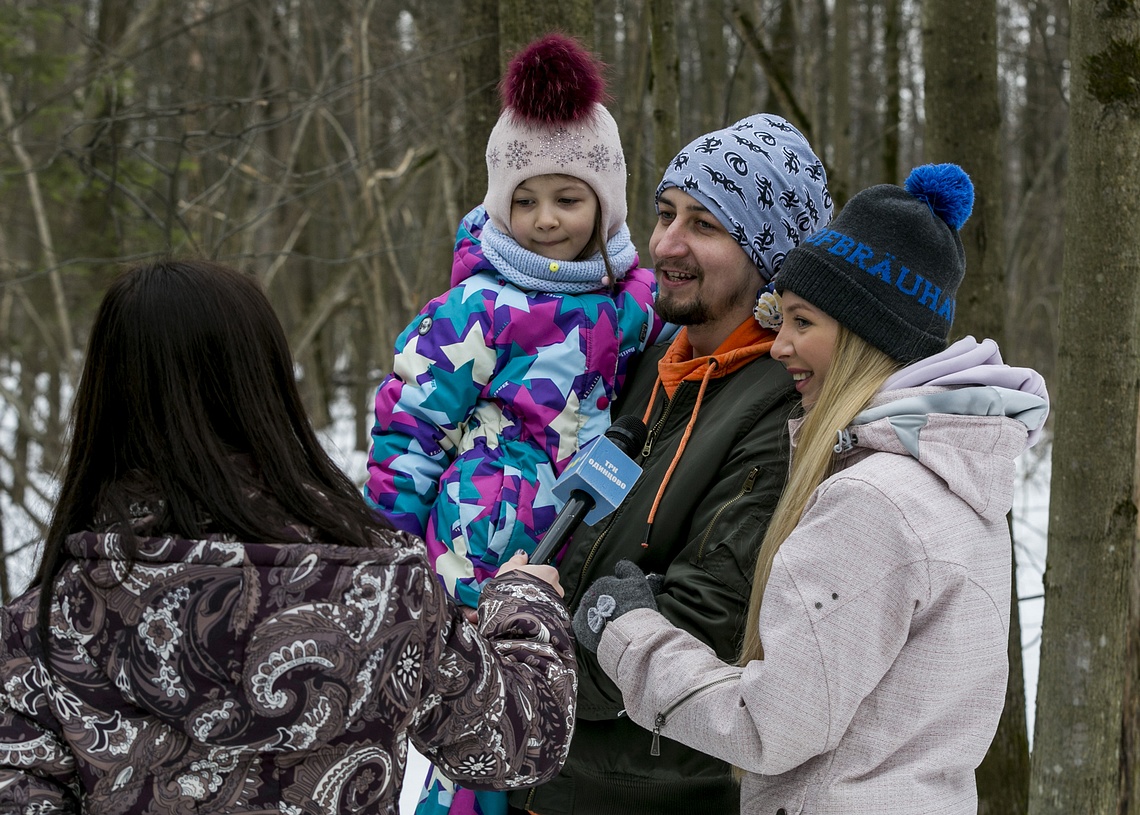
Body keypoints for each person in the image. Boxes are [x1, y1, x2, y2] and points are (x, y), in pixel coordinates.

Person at [0, 259, 577, 814]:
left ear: (106, 396)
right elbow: (520, 742)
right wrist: (526, 605)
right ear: (264, 385)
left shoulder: (48, 621)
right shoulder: (381, 585)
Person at [572, 165, 1051, 814]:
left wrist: (626, 631)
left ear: (863, 336)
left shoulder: (873, 502)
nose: (780, 345)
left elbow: (771, 723)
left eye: (801, 322)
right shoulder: (962, 484)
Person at [511, 113, 833, 815]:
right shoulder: (658, 361)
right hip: (562, 778)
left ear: (768, 252)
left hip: (654, 792)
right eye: (664, 214)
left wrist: (519, 678)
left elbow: (701, 621)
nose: (667, 244)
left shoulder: (782, 408)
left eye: (705, 225)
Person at [364, 33, 667, 618]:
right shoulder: (477, 309)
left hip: (586, 552)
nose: (546, 220)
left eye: (568, 199)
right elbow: (411, 432)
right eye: (525, 202)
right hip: (474, 553)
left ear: (605, 204)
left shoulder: (639, 301)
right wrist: (390, 558)